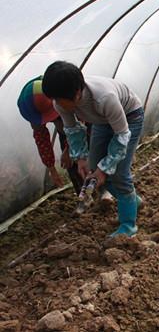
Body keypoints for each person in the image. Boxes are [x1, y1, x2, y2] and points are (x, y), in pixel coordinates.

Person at [42, 61, 144, 237]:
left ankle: (128, 225)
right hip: (100, 121)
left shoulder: (104, 98)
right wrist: (81, 158)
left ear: (76, 93)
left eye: (60, 99)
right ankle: (132, 201)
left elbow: (121, 135)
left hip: (130, 117)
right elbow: (73, 130)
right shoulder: (60, 103)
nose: (57, 103)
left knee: (118, 172)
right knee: (94, 169)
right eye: (55, 99)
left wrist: (105, 169)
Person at [17, 76, 83, 193]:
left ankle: (103, 189)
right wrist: (51, 168)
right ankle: (84, 195)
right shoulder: (30, 106)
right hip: (65, 127)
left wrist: (69, 149)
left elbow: (79, 124)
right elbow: (41, 138)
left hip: (82, 124)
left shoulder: (64, 93)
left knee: (87, 152)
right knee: (70, 164)